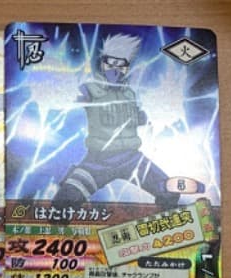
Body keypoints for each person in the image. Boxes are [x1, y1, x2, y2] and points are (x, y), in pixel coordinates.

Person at [52, 34, 180, 208]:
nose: (115, 70)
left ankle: (162, 224)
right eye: (111, 64)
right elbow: (66, 97)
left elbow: (139, 118)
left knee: (169, 190)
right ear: (102, 63)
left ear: (127, 68)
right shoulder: (89, 89)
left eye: (121, 66)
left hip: (131, 158)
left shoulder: (129, 94)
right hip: (98, 161)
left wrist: (152, 114)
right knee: (63, 202)